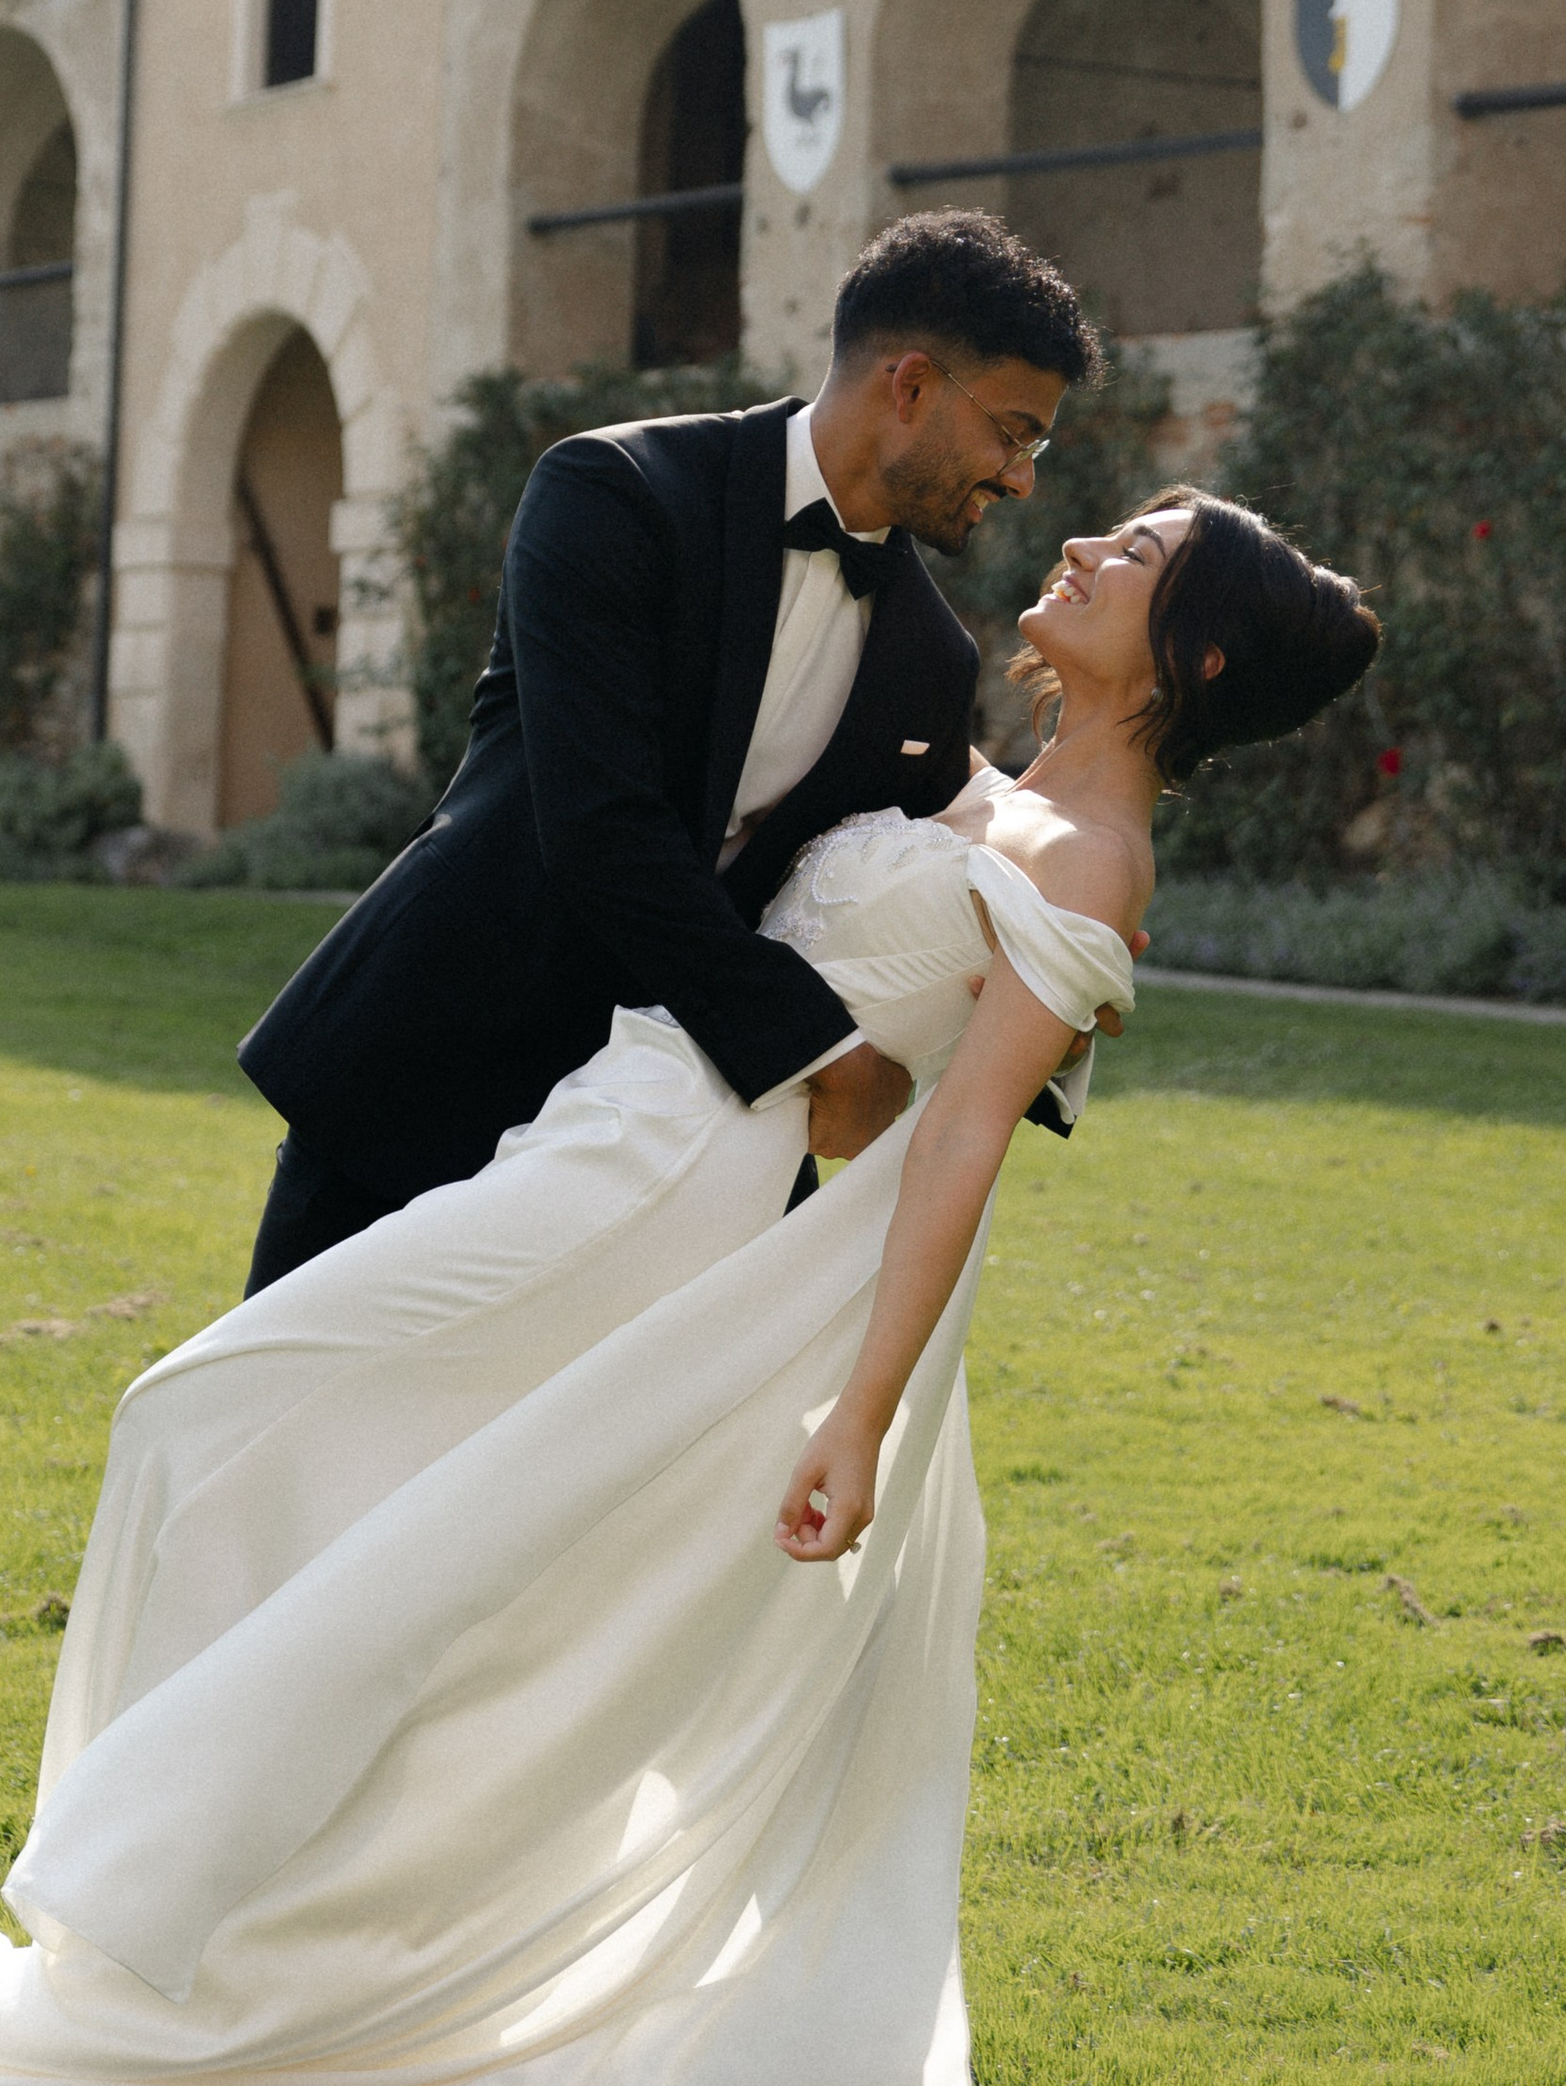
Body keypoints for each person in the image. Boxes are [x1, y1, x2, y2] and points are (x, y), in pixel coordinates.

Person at [0, 481, 1378, 2086]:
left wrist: (860, 1409)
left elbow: (956, 1149)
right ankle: (225, 1910)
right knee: (331, 1478)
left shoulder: (1095, 861)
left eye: (1136, 551)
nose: (1080, 539)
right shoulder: (974, 777)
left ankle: (198, 1925)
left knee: (234, 1416)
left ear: (1198, 660)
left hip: (658, 1191)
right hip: (605, 1120)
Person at [237, 210, 1106, 1291]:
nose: (1021, 477)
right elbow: (601, 827)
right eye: (1015, 433)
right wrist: (815, 1050)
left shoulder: (929, 656)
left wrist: (1051, 1003)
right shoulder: (614, 493)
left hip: (669, 1139)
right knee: (277, 1437)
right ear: (913, 386)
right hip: (434, 1060)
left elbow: (916, 876)